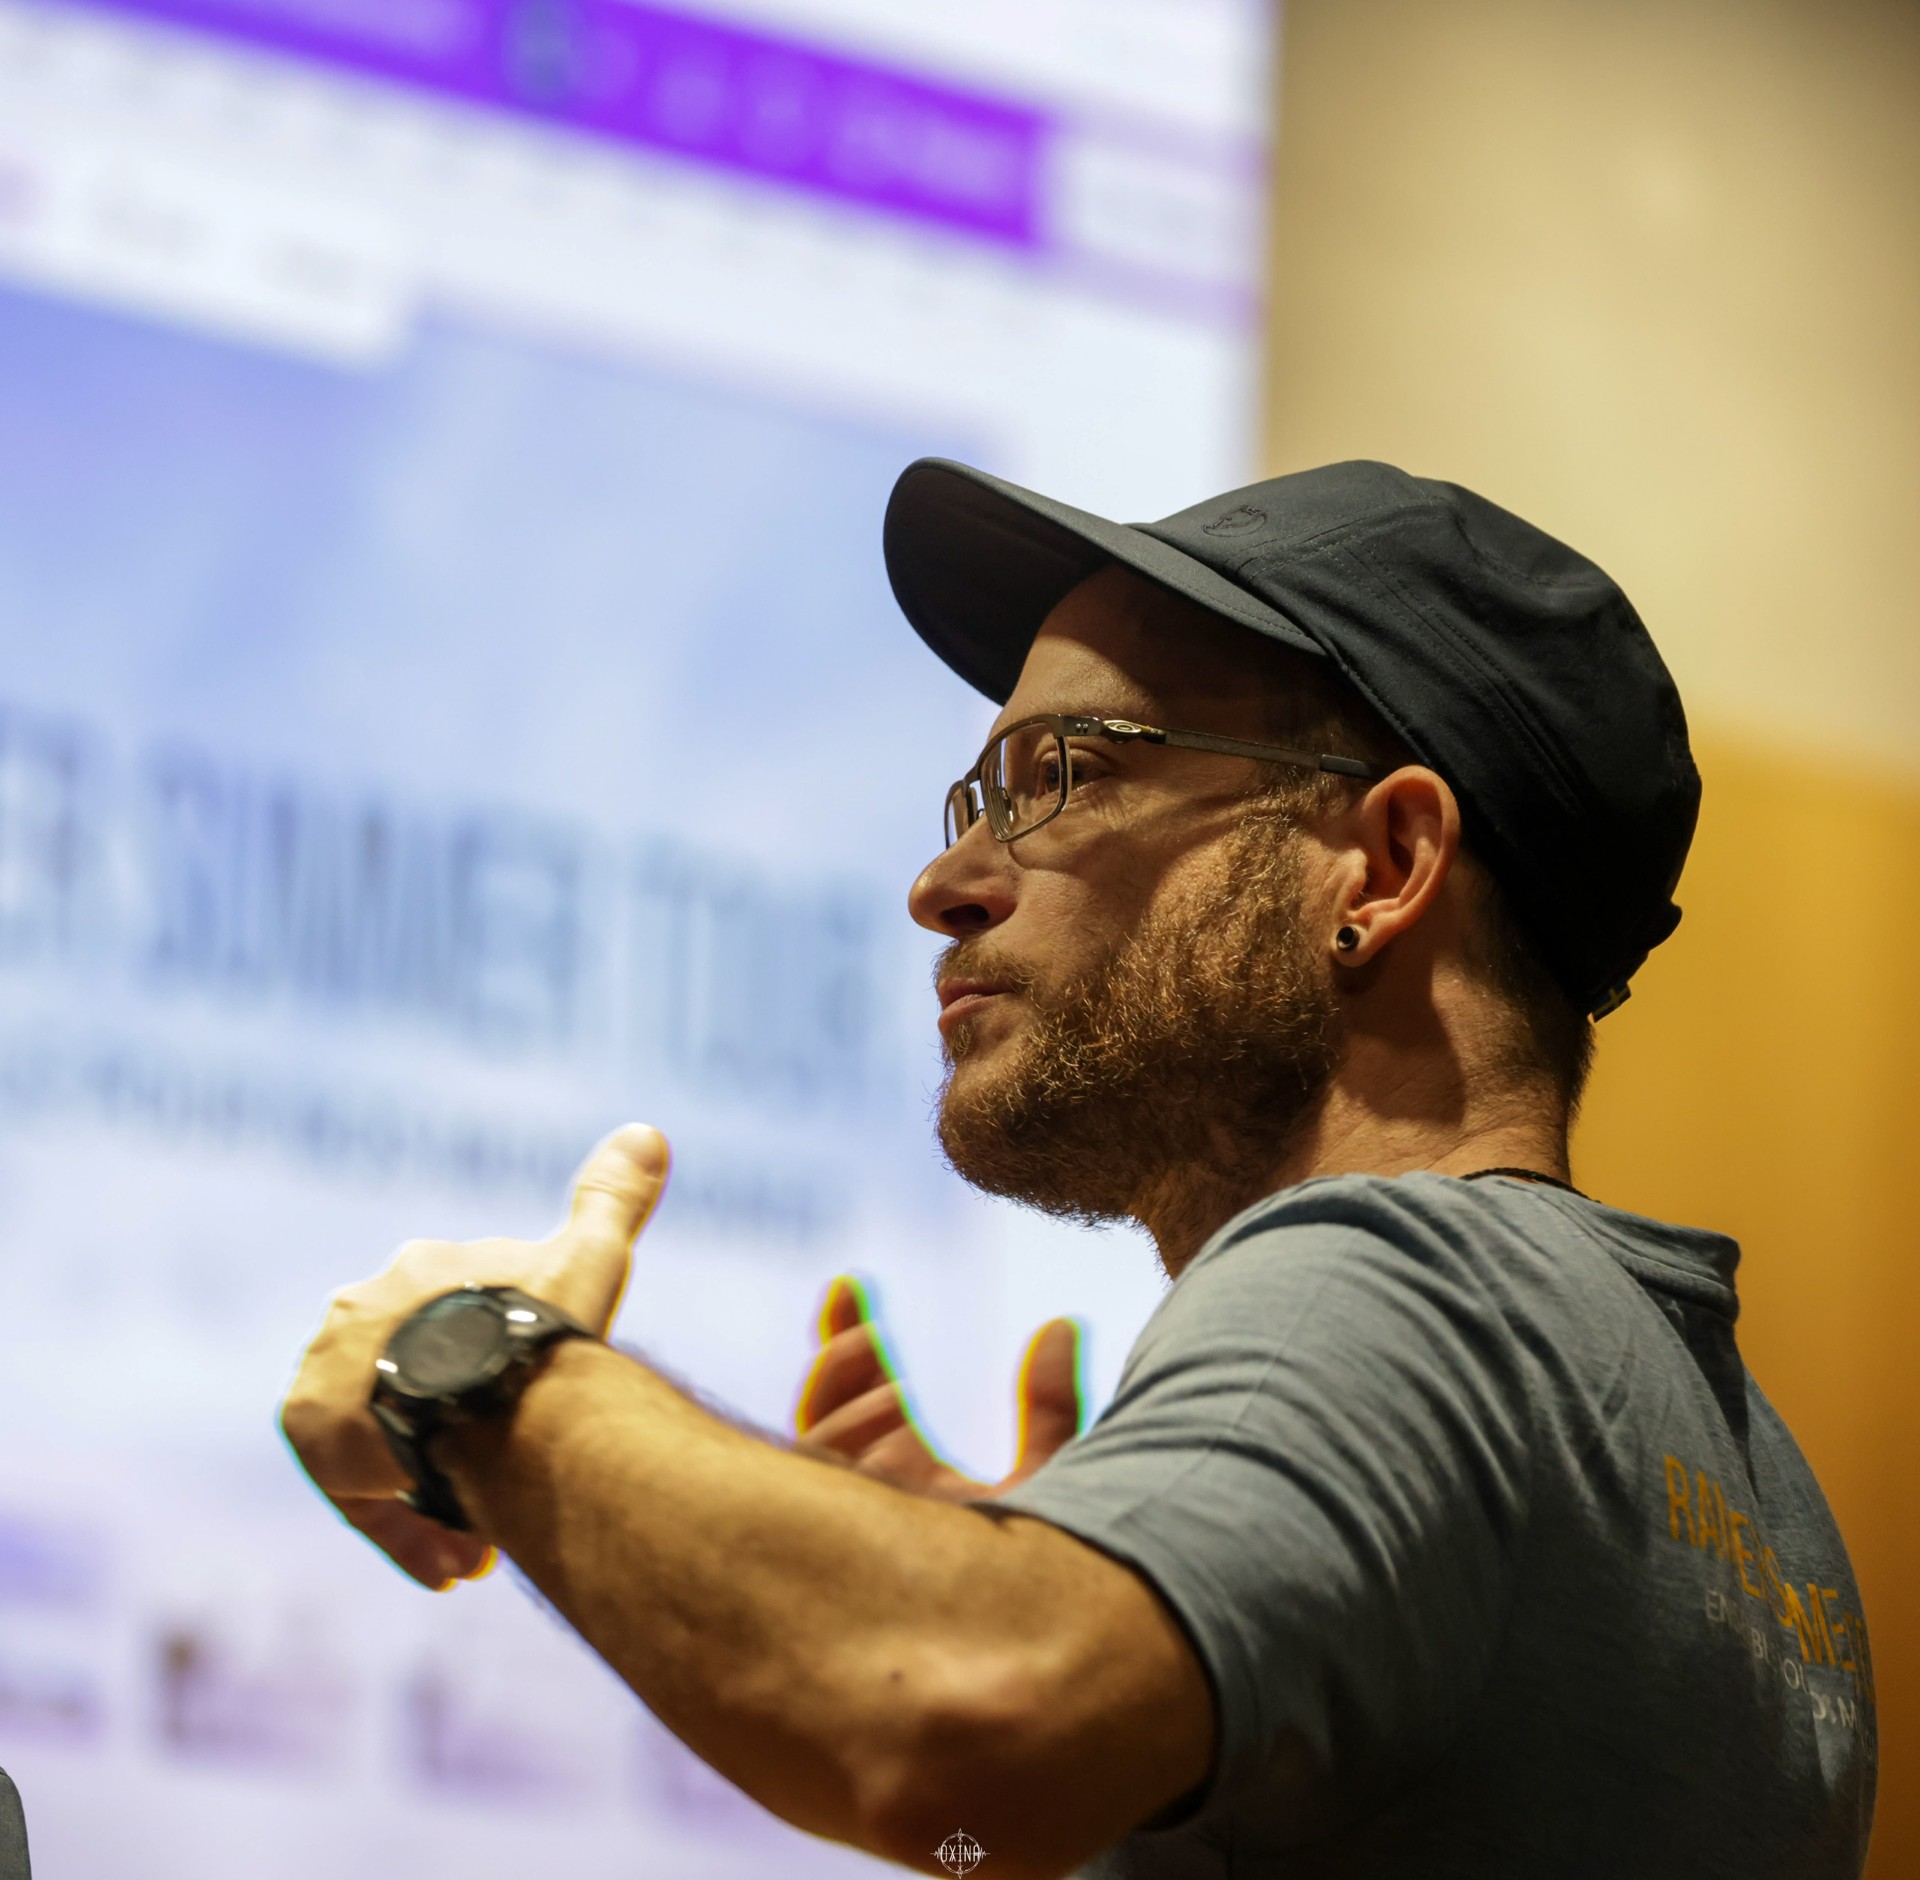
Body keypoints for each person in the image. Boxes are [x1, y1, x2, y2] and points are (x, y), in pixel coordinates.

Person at [281, 458, 1876, 1877]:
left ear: (1383, 867)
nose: (944, 880)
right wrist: (1106, 1726)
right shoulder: (1754, 1486)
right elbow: (990, 1805)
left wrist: (481, 1376)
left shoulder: (1400, 1287)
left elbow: (965, 1725)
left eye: (1066, 774)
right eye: (979, 792)